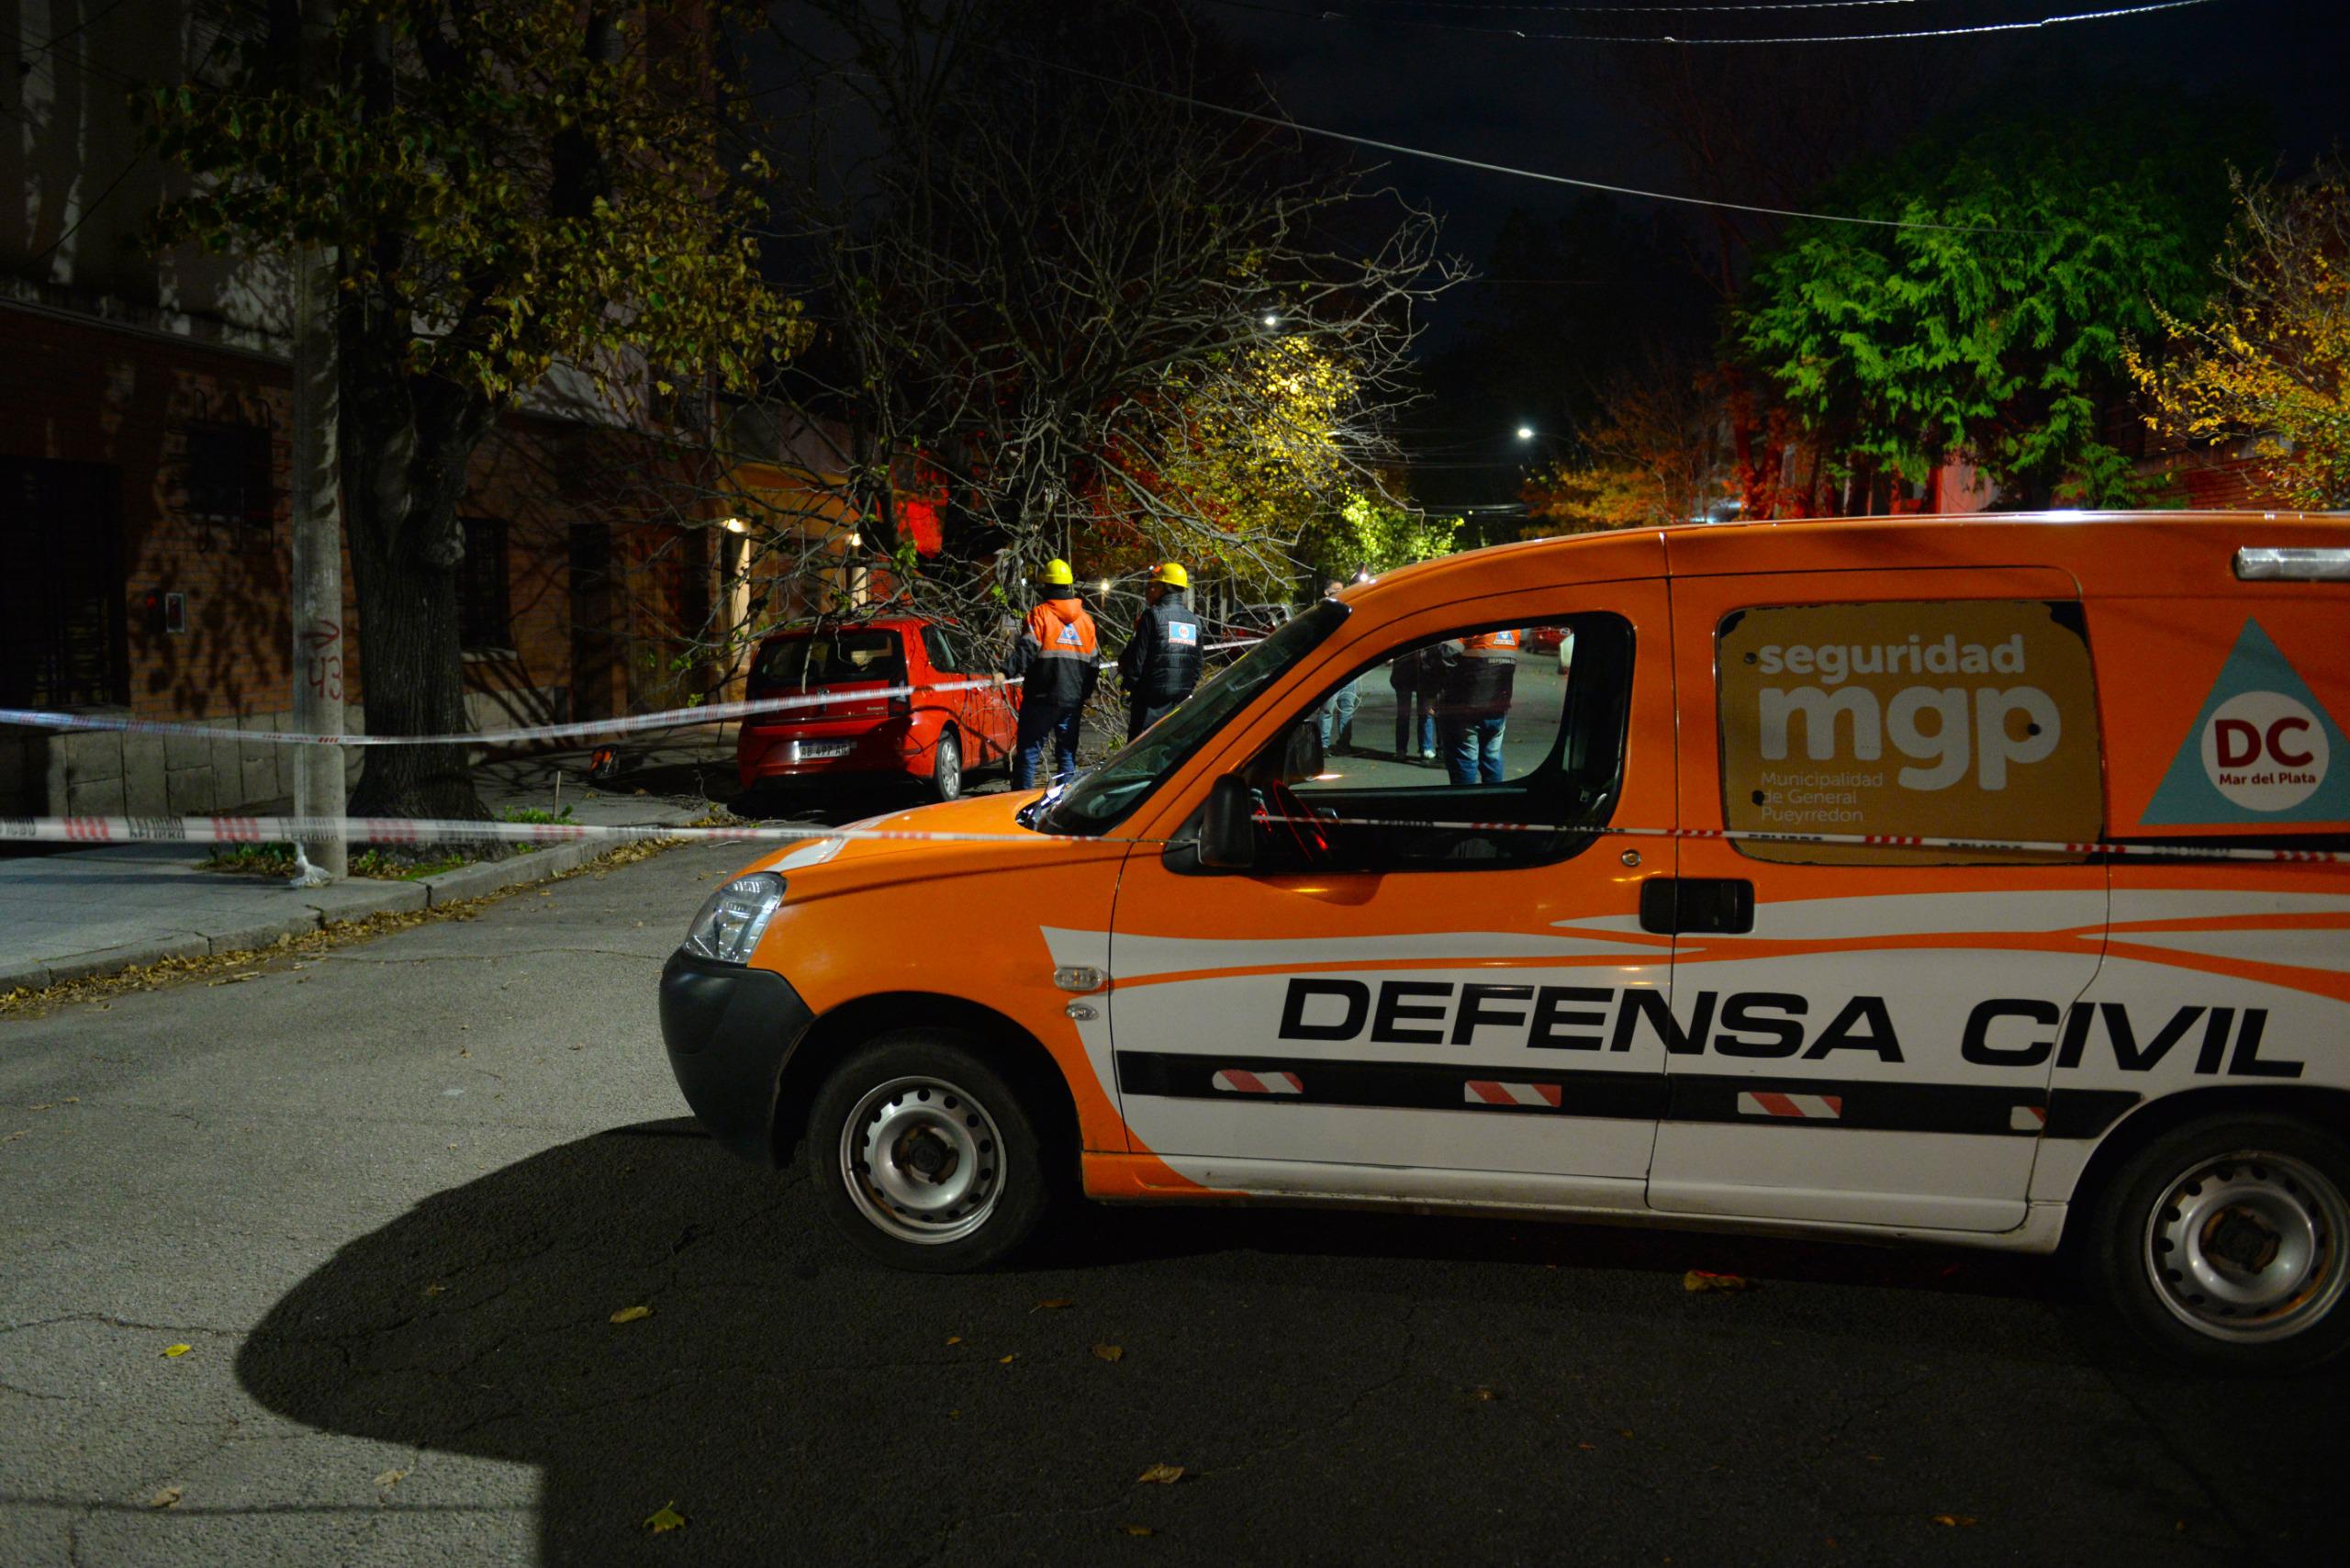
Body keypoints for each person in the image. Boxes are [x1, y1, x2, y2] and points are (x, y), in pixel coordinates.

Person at [1002, 557, 1099, 789]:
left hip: (1041, 698)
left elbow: (1026, 649)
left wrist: (1005, 672)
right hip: (1071, 700)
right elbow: (1094, 665)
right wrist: (1084, 694)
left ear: (1045, 586)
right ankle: (1064, 802)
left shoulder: (1040, 615)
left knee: (1029, 754)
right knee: (1066, 755)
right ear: (1068, 585)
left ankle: (1022, 804)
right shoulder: (1086, 621)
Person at [1116, 561, 1203, 741]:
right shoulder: (1194, 622)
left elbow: (1137, 661)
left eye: (1153, 585)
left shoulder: (1152, 616)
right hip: (1179, 703)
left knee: (1140, 750)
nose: (1149, 590)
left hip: (1149, 703)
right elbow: (1197, 666)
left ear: (1164, 587)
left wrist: (1128, 688)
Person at [1429, 627, 1519, 786]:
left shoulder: (1475, 623)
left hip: (1466, 706)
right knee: (1492, 758)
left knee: (1465, 759)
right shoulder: (1514, 629)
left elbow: (1445, 652)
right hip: (1498, 707)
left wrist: (1440, 690)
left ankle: (1467, 800)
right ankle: (1494, 798)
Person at [1315, 580, 1360, 752]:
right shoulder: (1321, 614)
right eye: (1337, 590)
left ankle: (1344, 743)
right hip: (1331, 670)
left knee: (1347, 707)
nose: (1341, 592)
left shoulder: (1347, 611)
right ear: (1327, 593)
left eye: (1342, 589)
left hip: (1348, 669)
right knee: (1328, 708)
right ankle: (1323, 744)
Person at [1388, 645, 1437, 761]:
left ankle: (1405, 750)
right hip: (1414, 673)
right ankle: (1423, 748)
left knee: (1416, 713)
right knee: (1420, 713)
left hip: (1418, 673)